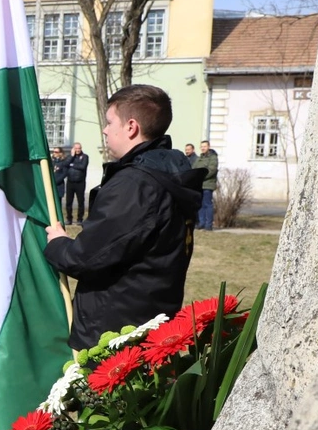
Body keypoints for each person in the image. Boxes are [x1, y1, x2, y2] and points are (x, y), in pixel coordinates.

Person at [43, 85, 205, 349]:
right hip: (149, 319)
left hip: (116, 333)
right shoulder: (167, 172)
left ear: (131, 127)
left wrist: (58, 243)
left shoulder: (136, 185)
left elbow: (86, 258)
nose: (105, 130)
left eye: (109, 122)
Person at [63, 141, 89, 225]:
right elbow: (65, 164)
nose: (77, 150)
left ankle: (80, 219)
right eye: (76, 148)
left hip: (80, 182)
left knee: (81, 201)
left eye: (79, 148)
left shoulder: (85, 157)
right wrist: (71, 156)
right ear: (73, 149)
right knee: (68, 202)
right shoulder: (70, 156)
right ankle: (69, 219)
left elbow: (82, 166)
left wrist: (72, 165)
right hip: (70, 182)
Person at [197, 140, 219, 231]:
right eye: (201, 146)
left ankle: (208, 225)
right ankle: (201, 223)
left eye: (204, 146)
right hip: (199, 184)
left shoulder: (213, 157)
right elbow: (194, 168)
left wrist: (200, 177)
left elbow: (212, 170)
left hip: (208, 184)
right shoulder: (200, 158)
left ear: (208, 147)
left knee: (207, 204)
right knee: (200, 205)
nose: (203, 148)